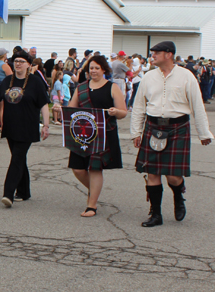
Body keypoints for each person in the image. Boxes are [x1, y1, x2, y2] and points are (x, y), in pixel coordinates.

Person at [131, 41, 213, 227]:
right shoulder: (148, 77)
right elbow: (138, 106)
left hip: (178, 128)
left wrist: (203, 133)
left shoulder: (186, 76)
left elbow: (197, 105)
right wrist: (136, 132)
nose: (152, 56)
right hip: (153, 127)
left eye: (156, 53)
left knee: (173, 176)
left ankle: (178, 195)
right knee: (152, 172)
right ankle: (155, 214)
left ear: (168, 54)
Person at [0, 50, 50, 207]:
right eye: (16, 61)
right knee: (19, 158)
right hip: (11, 126)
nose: (18, 64)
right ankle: (24, 191)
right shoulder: (8, 80)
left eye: (22, 61)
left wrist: (46, 125)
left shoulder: (35, 82)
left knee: (16, 159)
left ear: (28, 64)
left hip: (27, 127)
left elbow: (43, 104)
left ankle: (8, 194)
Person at [68, 56, 127, 217]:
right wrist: (61, 110)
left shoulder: (112, 87)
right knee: (78, 169)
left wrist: (116, 112)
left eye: (96, 68)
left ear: (104, 70)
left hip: (104, 133)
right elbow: (71, 109)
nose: (93, 71)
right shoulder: (81, 88)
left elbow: (123, 112)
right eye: (91, 68)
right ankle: (93, 190)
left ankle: (91, 206)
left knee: (95, 169)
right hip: (83, 133)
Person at [0, 48, 13, 130]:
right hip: (3, 86)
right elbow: (10, 76)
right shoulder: (4, 65)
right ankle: (3, 125)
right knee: (3, 107)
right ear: (4, 55)